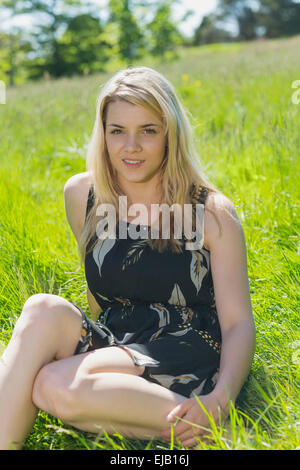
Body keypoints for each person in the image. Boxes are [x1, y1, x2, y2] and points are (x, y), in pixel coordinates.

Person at [0, 66, 255, 450]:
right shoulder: (82, 195)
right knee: (42, 309)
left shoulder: (212, 213)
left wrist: (222, 398)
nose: (130, 146)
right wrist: (91, 348)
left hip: (187, 345)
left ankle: (216, 427)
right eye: (117, 130)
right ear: (103, 134)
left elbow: (237, 324)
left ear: (170, 134)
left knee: (51, 384)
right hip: (118, 337)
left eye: (147, 131)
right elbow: (98, 292)